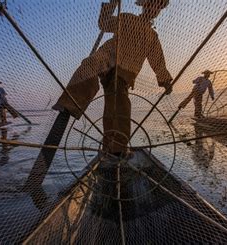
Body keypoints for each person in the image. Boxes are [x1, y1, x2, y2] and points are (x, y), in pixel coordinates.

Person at [52, 0, 173, 156]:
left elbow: (158, 61)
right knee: (89, 65)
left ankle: (115, 148)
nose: (155, 9)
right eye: (152, 5)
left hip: (126, 71)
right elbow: (104, 24)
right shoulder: (127, 18)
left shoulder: (152, 36)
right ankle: (70, 103)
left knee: (118, 105)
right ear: (145, 6)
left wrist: (165, 80)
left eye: (159, 7)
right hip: (108, 55)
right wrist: (112, 3)